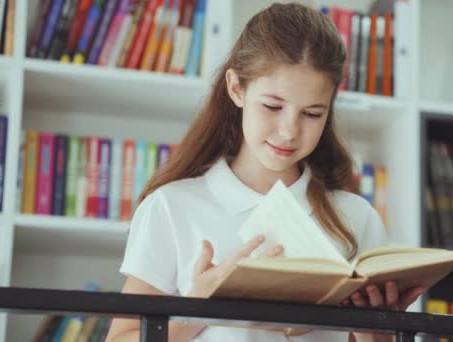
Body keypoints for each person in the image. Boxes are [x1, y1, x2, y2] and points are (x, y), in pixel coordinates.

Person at [105, 3, 425, 342]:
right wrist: (197, 308)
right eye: (272, 106)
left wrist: (373, 329)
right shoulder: (171, 206)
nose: (289, 131)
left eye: (312, 114)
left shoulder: (355, 217)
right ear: (236, 88)